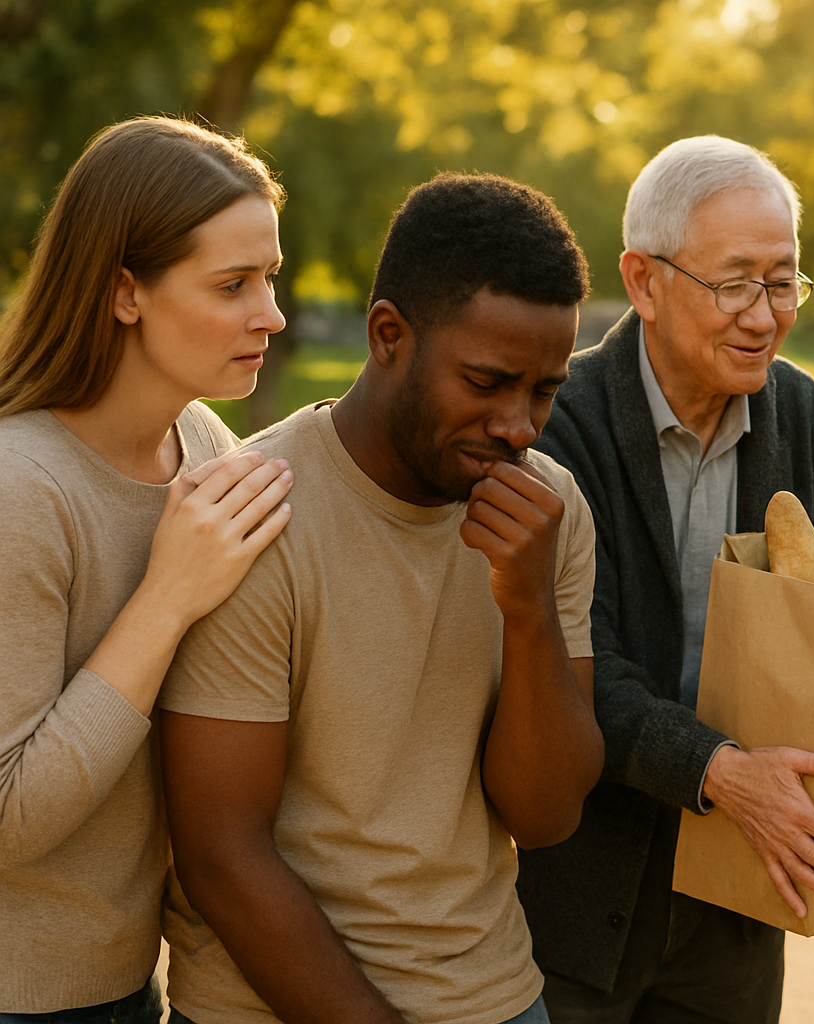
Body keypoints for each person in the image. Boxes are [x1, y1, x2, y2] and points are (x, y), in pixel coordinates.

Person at [156, 172, 604, 1024]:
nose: (519, 425)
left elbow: (544, 816)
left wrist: (529, 610)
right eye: (487, 381)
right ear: (389, 335)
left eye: (543, 391)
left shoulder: (550, 511)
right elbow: (221, 853)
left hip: (494, 998)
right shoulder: (256, 513)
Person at [517, 135, 814, 1023]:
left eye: (781, 281)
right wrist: (719, 769)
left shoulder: (804, 415)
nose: (763, 315)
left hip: (742, 895)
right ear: (644, 282)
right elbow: (571, 663)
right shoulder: (562, 424)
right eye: (734, 283)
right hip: (578, 892)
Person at [0, 117, 293, 1023]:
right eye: (232, 284)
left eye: (270, 279)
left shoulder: (200, 442)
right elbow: (9, 819)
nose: (272, 316)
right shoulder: (21, 488)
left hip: (134, 984)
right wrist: (166, 597)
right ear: (126, 292)